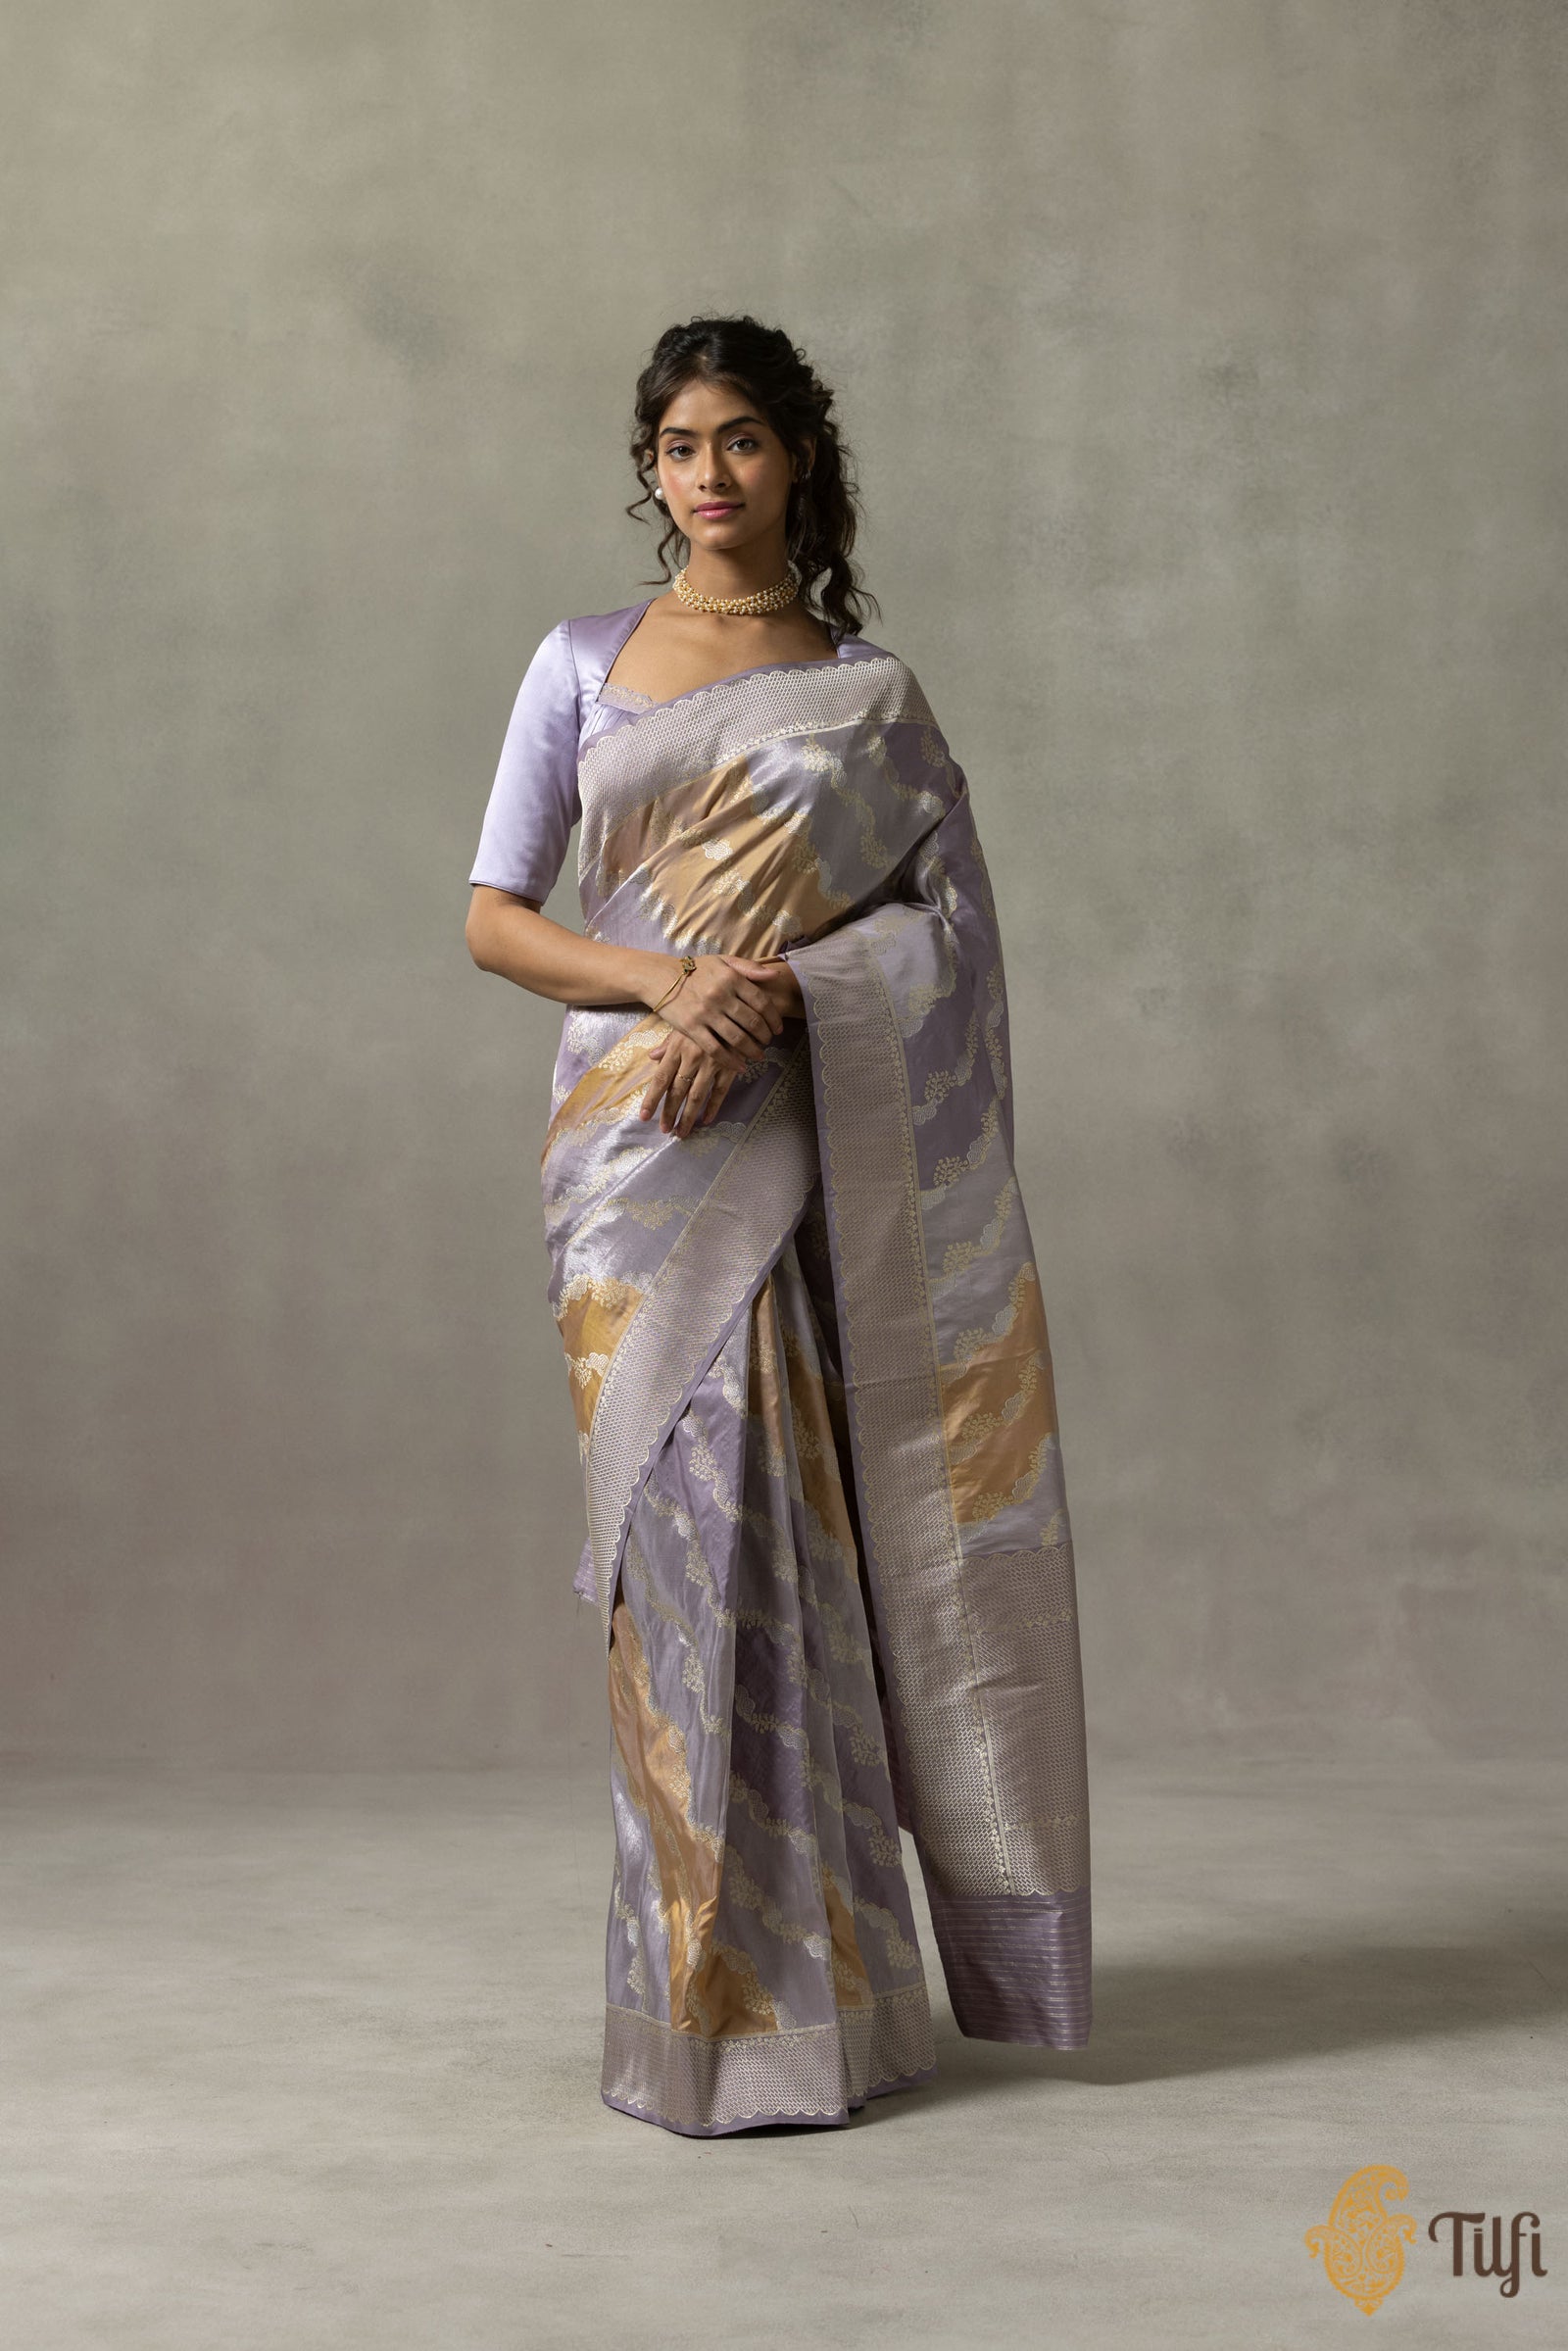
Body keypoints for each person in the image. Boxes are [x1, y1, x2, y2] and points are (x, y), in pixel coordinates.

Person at [466, 315, 1091, 2138]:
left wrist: (788, 998)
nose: (710, 474)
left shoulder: (869, 697)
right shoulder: (579, 664)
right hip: (630, 1159)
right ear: (649, 471)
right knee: (682, 1560)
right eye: (679, 446)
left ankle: (825, 2014)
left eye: (740, 439)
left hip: (803, 1150)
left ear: (797, 457)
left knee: (795, 1548)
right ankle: (696, 2010)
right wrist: (674, 986)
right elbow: (498, 917)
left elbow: (947, 949)